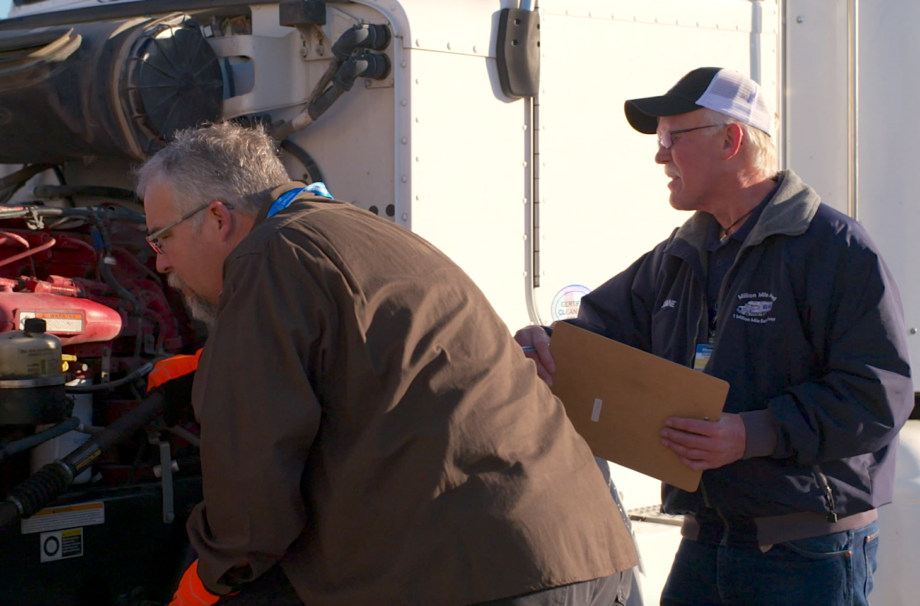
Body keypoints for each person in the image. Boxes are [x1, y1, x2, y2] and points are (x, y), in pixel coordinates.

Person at [136, 122, 638, 606]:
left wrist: (212, 579)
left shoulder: (266, 256)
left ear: (220, 218)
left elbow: (252, 494)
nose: (160, 262)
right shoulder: (349, 228)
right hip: (581, 554)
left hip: (482, 575)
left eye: (163, 239)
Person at [515, 67, 913, 606]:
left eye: (671, 138)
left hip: (805, 553)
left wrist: (752, 433)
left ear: (731, 140)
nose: (659, 157)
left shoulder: (833, 247)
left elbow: (879, 395)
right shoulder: (679, 254)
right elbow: (597, 337)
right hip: (706, 542)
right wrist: (542, 347)